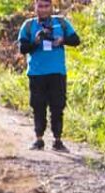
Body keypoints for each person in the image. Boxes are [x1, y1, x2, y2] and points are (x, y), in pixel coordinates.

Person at [17, 0, 80, 152]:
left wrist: (62, 40)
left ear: (51, 7)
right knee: (38, 106)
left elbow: (76, 40)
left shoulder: (61, 23)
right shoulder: (28, 25)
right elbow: (23, 48)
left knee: (57, 106)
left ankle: (57, 140)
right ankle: (39, 139)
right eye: (40, 6)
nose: (44, 10)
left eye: (46, 6)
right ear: (35, 7)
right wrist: (36, 41)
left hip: (57, 72)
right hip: (37, 73)